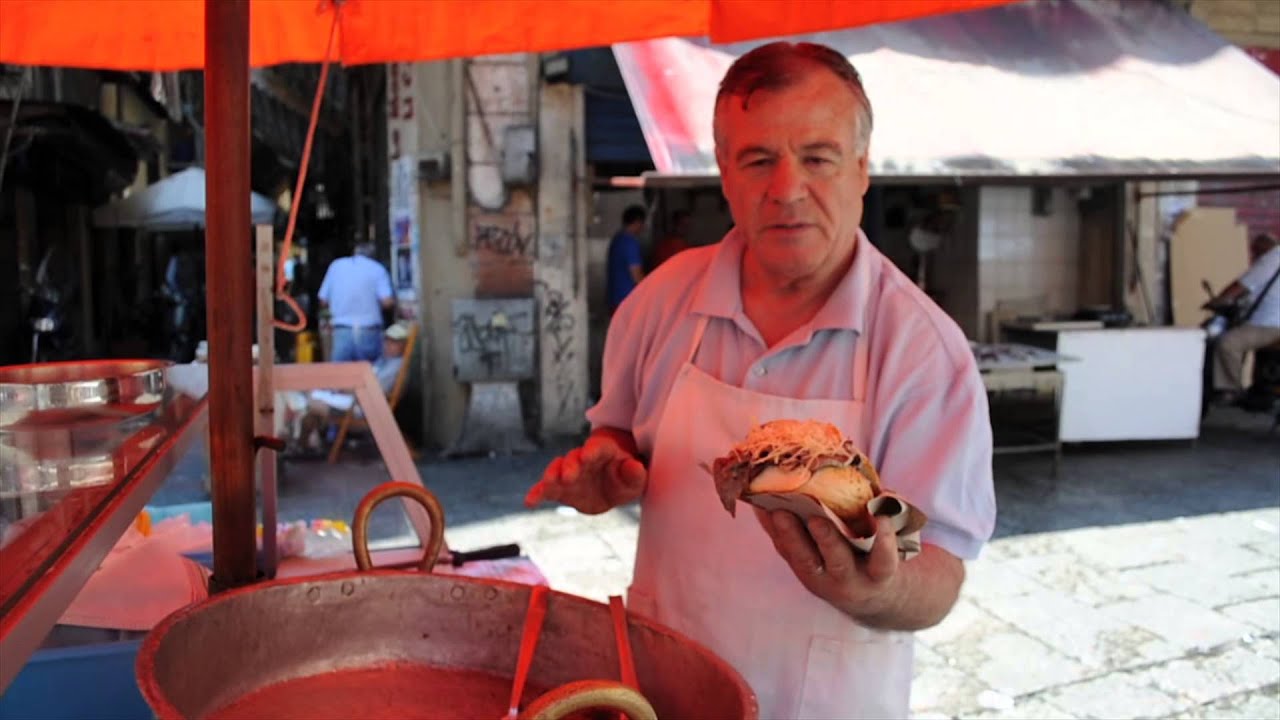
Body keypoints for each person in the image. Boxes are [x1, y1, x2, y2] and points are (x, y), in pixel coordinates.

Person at [525, 42, 995, 719]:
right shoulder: (660, 304)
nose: (786, 189)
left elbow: (942, 571)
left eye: (818, 157)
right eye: (757, 159)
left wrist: (876, 593)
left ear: (862, 169)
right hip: (666, 691)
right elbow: (617, 431)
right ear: (723, 172)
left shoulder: (922, 352)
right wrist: (610, 467)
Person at [293, 322, 409, 451]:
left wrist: (345, 389)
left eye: (394, 342)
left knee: (310, 401)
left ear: (403, 345)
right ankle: (302, 446)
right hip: (354, 399)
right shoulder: (383, 361)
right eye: (387, 341)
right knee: (309, 412)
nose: (388, 345)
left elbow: (375, 391)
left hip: (361, 407)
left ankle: (300, 439)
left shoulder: (395, 366)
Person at [1207, 232, 1280, 402]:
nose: (1254, 256)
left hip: (1270, 324)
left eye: (1255, 252)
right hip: (1271, 322)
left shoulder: (1272, 258)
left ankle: (1230, 390)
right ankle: (1259, 388)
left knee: (1228, 343)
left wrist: (1219, 300)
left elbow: (1240, 286)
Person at [317, 241, 394, 362]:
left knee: (340, 377)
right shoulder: (377, 269)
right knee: (369, 375)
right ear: (373, 256)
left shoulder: (336, 266)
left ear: (354, 253)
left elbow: (323, 300)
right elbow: (387, 302)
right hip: (369, 331)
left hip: (342, 332)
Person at [606, 205, 646, 311]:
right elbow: (636, 275)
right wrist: (650, 292)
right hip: (627, 301)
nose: (643, 227)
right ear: (637, 222)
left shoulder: (617, 239)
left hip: (615, 299)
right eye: (642, 223)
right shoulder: (630, 243)